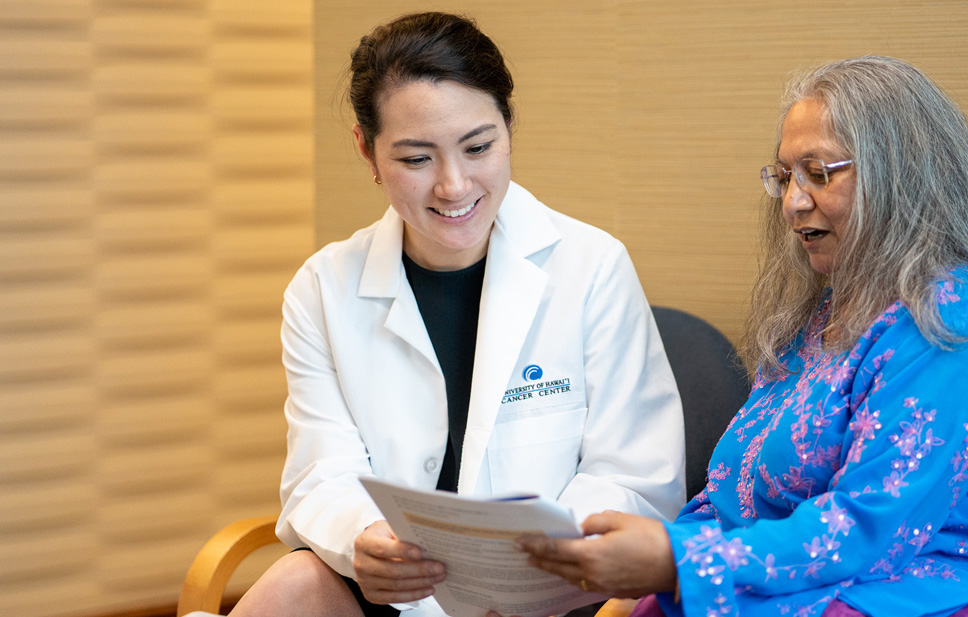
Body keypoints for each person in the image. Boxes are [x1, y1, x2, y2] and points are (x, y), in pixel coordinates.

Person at [517, 56, 968, 617]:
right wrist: (658, 559)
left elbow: (867, 529)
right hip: (862, 577)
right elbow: (739, 489)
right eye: (783, 177)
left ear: (901, 178)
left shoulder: (958, 327)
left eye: (818, 173)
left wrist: (674, 561)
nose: (792, 201)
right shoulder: (829, 313)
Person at [229, 12, 686, 617]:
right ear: (367, 150)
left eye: (478, 147)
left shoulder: (591, 267)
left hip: (542, 600)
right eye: (416, 159)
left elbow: (635, 478)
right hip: (390, 597)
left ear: (509, 127)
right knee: (295, 583)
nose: (453, 185)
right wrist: (364, 542)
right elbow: (321, 475)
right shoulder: (323, 288)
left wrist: (518, 566)